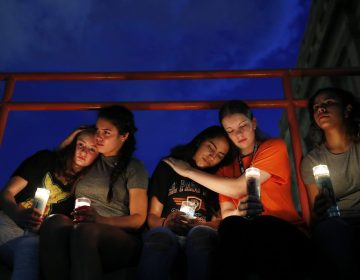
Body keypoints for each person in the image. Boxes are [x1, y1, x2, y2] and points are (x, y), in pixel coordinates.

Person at [164, 100, 309, 279]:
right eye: (230, 131)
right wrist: (239, 212)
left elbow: (239, 188)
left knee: (262, 224)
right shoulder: (225, 170)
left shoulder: (273, 147)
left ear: (253, 124)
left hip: (282, 229)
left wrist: (188, 171)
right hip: (247, 235)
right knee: (231, 225)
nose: (238, 134)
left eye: (243, 126)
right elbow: (227, 214)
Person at [40, 105, 149, 280]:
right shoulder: (91, 159)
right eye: (97, 130)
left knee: (86, 230)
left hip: (119, 237)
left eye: (107, 132)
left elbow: (138, 219)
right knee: (54, 222)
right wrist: (73, 137)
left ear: (124, 136)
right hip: (82, 228)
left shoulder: (133, 167)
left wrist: (100, 220)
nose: (99, 136)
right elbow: (56, 162)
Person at [0, 127, 98, 280]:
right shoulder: (45, 160)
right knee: (29, 249)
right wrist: (17, 213)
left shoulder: (85, 187)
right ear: (72, 143)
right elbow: (7, 192)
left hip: (38, 235)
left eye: (92, 149)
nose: (84, 151)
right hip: (9, 220)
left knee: (30, 248)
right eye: (81, 144)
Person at [137, 125, 231, 280]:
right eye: (210, 147)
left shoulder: (217, 180)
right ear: (200, 141)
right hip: (167, 229)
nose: (212, 156)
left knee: (201, 236)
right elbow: (152, 216)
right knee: (160, 237)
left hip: (200, 230)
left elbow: (219, 222)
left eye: (220, 155)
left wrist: (199, 225)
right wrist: (166, 223)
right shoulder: (170, 166)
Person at [301, 87, 360, 279]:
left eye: (328, 103)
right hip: (338, 222)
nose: (321, 109)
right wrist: (320, 209)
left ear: (347, 110)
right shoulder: (312, 161)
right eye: (316, 107)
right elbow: (317, 219)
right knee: (331, 231)